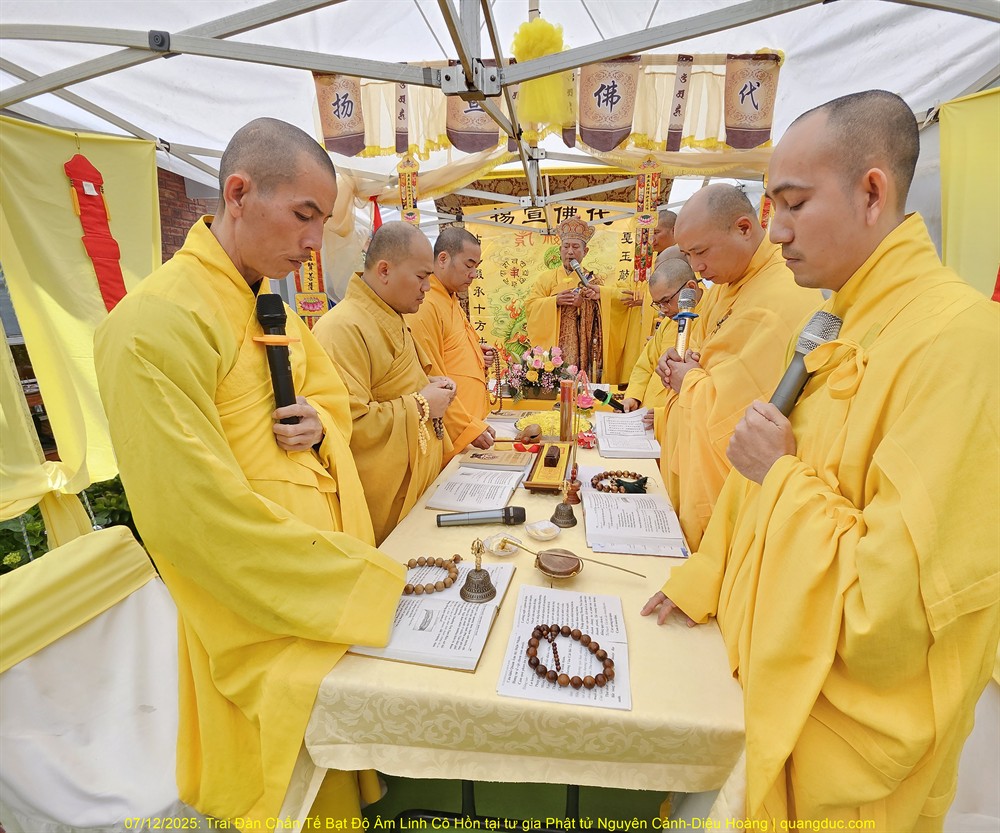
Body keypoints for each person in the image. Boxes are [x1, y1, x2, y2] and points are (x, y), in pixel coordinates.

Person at [642, 90, 1000, 829]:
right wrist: (705, 576)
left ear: (872, 193)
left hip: (835, 734)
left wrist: (781, 473)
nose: (776, 232)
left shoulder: (960, 343)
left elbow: (890, 611)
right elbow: (757, 473)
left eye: (795, 205)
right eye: (773, 207)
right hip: (754, 671)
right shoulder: (832, 321)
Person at [94, 118, 406, 824]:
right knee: (278, 793)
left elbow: (330, 402)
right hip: (263, 609)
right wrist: (359, 586)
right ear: (238, 194)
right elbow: (191, 517)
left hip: (323, 590)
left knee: (329, 787)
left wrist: (321, 426)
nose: (314, 241)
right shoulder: (151, 324)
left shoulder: (271, 307)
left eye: (322, 221)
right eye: (304, 215)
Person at [648, 184, 820, 549]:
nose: (697, 267)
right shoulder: (727, 284)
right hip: (687, 457)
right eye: (688, 255)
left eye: (701, 252)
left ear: (743, 228)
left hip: (732, 494)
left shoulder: (782, 294)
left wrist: (688, 379)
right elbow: (695, 350)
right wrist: (675, 360)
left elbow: (737, 413)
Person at [312, 221, 455, 545]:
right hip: (384, 502)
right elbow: (345, 427)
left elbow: (397, 385)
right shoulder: (341, 328)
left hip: (419, 488)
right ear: (385, 270)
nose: (427, 287)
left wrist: (430, 385)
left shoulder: (393, 317)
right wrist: (422, 404)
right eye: (421, 276)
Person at [406, 226, 495, 463]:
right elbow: (431, 378)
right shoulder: (426, 305)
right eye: (469, 265)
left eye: (476, 267)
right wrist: (467, 427)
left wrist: (477, 354)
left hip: (472, 424)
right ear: (443, 258)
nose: (473, 274)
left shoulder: (450, 298)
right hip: (453, 433)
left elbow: (450, 351)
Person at [524, 215, 632, 384]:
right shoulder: (546, 279)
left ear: (585, 251)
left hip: (583, 343)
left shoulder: (592, 281)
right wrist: (554, 301)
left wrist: (585, 304)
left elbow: (605, 313)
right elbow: (530, 306)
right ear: (560, 249)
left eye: (575, 247)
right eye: (566, 246)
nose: (570, 251)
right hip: (555, 341)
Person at [621, 252, 701, 412]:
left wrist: (662, 414)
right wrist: (633, 397)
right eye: (658, 304)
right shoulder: (668, 323)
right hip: (645, 414)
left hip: (676, 416)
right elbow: (645, 365)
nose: (663, 310)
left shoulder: (712, 316)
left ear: (690, 288)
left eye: (666, 301)